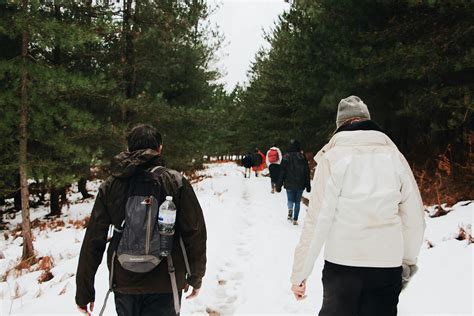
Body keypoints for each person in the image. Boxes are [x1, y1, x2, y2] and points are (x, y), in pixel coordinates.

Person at [290, 96, 425, 316]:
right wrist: (406, 264)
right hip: (386, 267)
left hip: (342, 267)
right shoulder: (395, 157)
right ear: (367, 121)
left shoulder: (333, 158)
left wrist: (300, 274)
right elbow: (414, 219)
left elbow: (318, 220)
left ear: (339, 125)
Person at [75, 124, 207, 316]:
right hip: (166, 280)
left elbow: (93, 240)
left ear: (129, 149)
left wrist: (84, 292)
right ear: (159, 148)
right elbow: (194, 232)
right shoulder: (175, 181)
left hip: (124, 281)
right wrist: (195, 276)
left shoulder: (111, 186)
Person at [276, 140, 311, 225]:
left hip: (289, 183)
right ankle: (295, 219)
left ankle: (290, 210)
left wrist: (279, 185)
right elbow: (306, 172)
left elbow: (282, 172)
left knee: (290, 199)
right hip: (300, 183)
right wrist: (308, 185)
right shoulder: (302, 157)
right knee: (297, 202)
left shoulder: (286, 156)